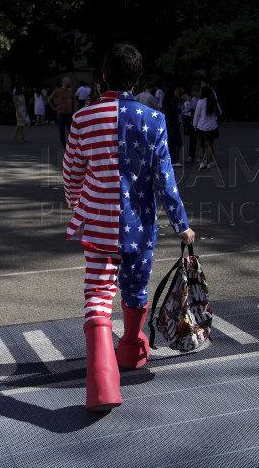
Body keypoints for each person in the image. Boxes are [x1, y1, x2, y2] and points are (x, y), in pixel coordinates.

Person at [62, 44, 194, 411]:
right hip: (140, 225)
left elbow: (71, 173)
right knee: (135, 290)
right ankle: (131, 349)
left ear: (104, 76)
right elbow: (164, 180)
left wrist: (76, 200)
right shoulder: (154, 119)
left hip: (99, 225)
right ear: (137, 79)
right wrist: (181, 224)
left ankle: (102, 385)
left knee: (97, 298)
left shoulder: (82, 119)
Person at [193, 86, 221, 170]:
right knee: (210, 145)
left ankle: (201, 162)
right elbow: (220, 112)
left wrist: (194, 125)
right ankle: (209, 163)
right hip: (212, 126)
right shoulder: (214, 101)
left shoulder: (200, 102)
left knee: (200, 145)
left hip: (201, 126)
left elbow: (196, 115)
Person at [47, 77, 74, 149]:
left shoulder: (70, 90)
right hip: (61, 113)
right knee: (62, 130)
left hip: (69, 113)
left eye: (69, 81)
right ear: (64, 82)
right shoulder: (58, 91)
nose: (69, 82)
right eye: (68, 81)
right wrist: (54, 108)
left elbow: (74, 100)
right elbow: (49, 99)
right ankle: (63, 144)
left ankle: (72, 144)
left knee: (72, 130)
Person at [165, 83, 184, 167]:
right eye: (176, 90)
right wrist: (181, 109)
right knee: (177, 142)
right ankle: (174, 160)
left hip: (168, 122)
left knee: (171, 142)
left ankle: (169, 160)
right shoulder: (172, 100)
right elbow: (176, 111)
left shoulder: (166, 100)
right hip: (173, 122)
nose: (177, 91)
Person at [185, 85, 200, 163]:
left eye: (195, 92)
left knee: (200, 140)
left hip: (199, 122)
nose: (194, 94)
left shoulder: (201, 99)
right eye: (192, 93)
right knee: (192, 140)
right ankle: (191, 155)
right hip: (193, 121)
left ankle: (199, 156)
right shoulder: (193, 99)